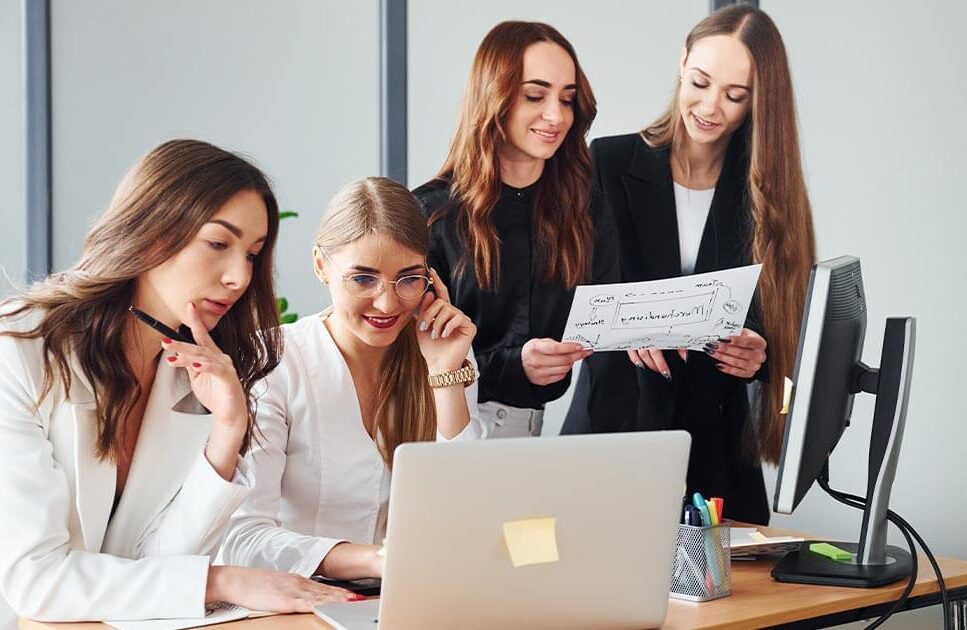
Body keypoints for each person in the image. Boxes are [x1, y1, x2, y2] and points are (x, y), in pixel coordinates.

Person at [0, 139, 355, 623]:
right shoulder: (20, 348)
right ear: (151, 229)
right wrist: (223, 580)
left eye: (252, 255)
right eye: (217, 244)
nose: (239, 277)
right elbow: (34, 579)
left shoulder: (192, 374)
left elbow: (157, 564)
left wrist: (229, 428)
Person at [563, 5, 817, 525]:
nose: (709, 106)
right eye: (700, 82)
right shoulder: (607, 163)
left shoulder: (767, 194)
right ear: (682, 63)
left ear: (758, 104)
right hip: (612, 433)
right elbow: (569, 294)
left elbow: (786, 340)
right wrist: (629, 326)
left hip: (717, 453)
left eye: (734, 96)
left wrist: (761, 358)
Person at [220, 177, 488, 579]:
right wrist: (374, 560)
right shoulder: (274, 361)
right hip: (295, 603)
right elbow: (242, 538)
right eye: (363, 278)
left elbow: (468, 513)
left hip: (409, 599)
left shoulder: (446, 352)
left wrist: (445, 374)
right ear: (321, 265)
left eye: (409, 279)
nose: (387, 302)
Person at [414, 20, 618, 438]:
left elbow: (610, 322)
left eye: (567, 99)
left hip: (533, 435)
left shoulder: (587, 209)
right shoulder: (429, 214)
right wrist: (512, 365)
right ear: (495, 96)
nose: (556, 115)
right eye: (535, 95)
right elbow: (407, 361)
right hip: (436, 433)